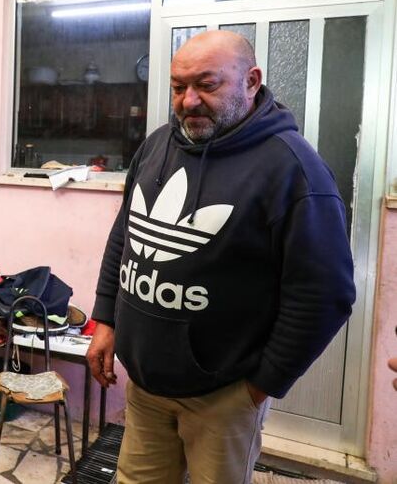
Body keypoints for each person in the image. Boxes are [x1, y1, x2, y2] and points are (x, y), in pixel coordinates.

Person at [86, 30, 355, 483]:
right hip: (147, 387)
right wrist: (106, 319)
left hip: (224, 396)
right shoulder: (157, 146)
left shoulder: (292, 170)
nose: (189, 100)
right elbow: (125, 235)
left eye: (207, 85)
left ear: (251, 81)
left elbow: (324, 295)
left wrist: (259, 386)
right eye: (177, 87)